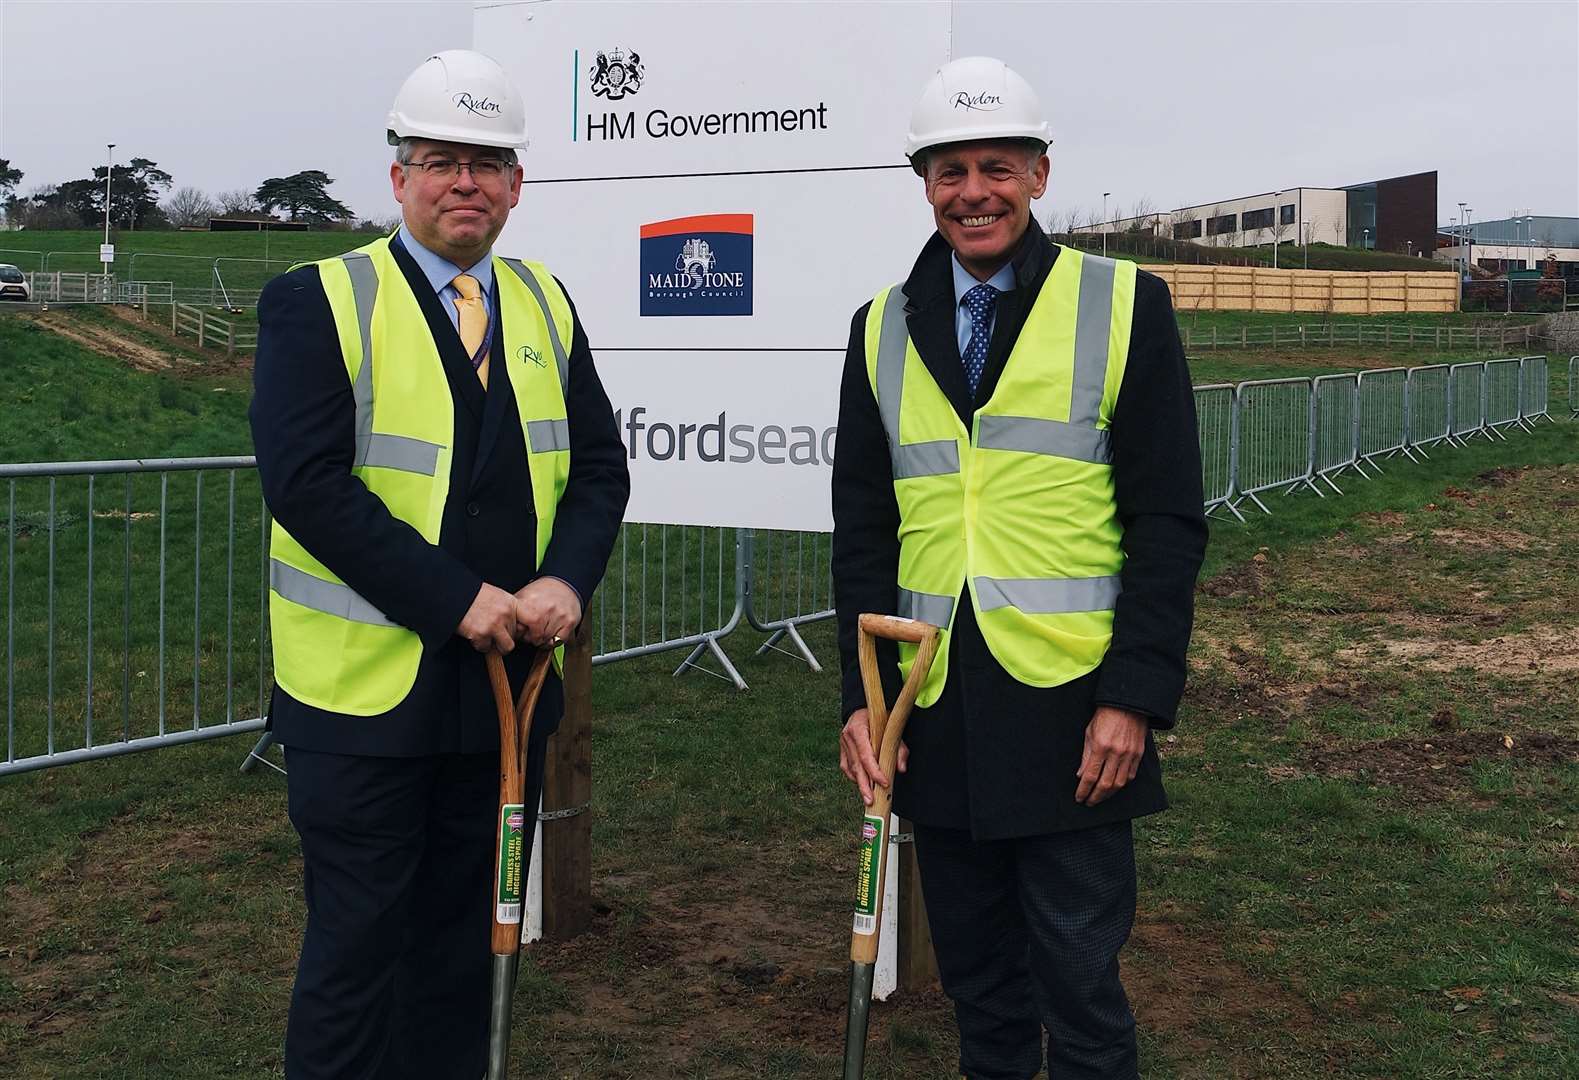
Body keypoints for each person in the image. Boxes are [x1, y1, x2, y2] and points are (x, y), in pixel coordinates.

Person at [250, 50, 629, 1079]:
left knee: (469, 952)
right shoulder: (317, 300)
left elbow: (599, 468)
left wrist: (564, 582)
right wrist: (453, 596)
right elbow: (307, 485)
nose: (465, 180)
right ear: (399, 179)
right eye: (441, 159)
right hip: (363, 706)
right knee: (356, 955)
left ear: (516, 185)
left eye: (487, 162)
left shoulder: (545, 303)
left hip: (507, 700)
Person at [832, 56, 1206, 1080]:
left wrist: (1133, 697)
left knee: (1080, 988)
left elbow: (1167, 519)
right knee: (981, 991)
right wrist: (859, 704)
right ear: (924, 186)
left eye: (996, 166)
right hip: (932, 703)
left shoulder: (1124, 303)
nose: (973, 193)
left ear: (1040, 175)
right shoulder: (879, 328)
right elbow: (862, 532)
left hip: (1074, 710)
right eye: (949, 172)